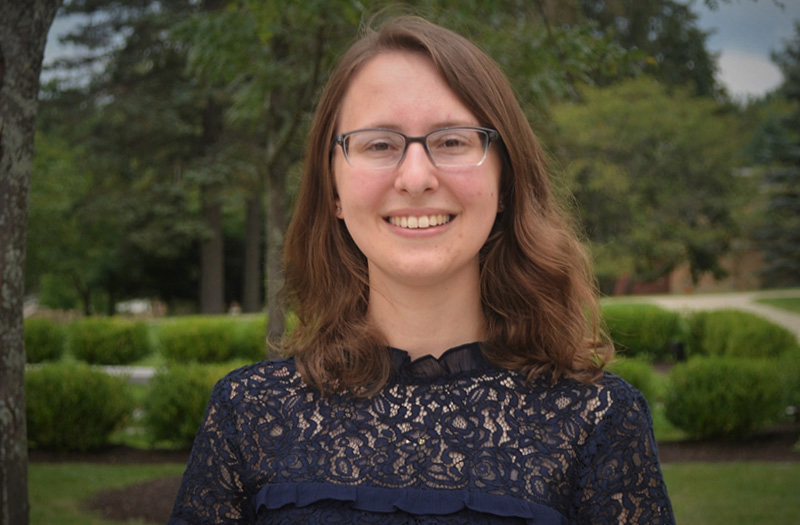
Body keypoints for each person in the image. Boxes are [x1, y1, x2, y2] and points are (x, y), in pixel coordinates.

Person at [168, 15, 674, 524]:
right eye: (379, 144)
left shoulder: (597, 420)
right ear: (334, 189)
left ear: (505, 181)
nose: (415, 177)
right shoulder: (249, 413)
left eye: (452, 141)